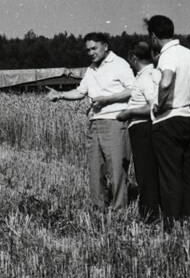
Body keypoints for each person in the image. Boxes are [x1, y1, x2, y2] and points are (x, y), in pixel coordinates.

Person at [47, 32, 135, 209]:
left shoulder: (120, 64)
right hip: (94, 122)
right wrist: (60, 95)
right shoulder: (91, 69)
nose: (91, 53)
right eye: (88, 50)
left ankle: (119, 210)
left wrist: (107, 99)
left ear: (105, 46)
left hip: (115, 121)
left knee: (116, 168)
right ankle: (98, 207)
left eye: (94, 48)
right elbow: (81, 92)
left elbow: (133, 90)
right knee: (95, 169)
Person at [145, 14, 190, 224]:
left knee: (169, 174)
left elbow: (165, 83)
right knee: (186, 170)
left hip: (168, 119)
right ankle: (189, 217)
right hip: (186, 117)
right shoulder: (188, 53)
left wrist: (161, 104)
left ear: (154, 36)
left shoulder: (167, 56)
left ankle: (172, 221)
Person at [116, 42, 163, 223]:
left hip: (142, 128)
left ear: (133, 58)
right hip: (146, 127)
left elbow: (153, 106)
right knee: (149, 171)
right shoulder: (155, 74)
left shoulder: (145, 78)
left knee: (145, 172)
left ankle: (149, 214)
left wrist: (129, 113)